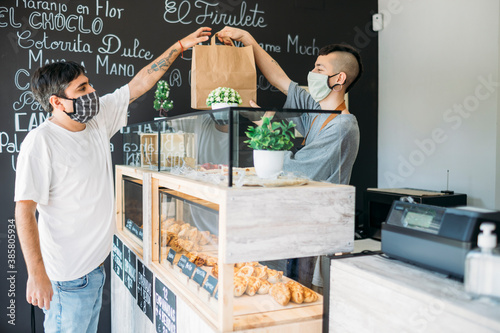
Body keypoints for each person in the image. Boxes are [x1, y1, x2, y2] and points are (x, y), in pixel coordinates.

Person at [14, 27, 211, 332]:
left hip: (95, 268)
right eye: (81, 89)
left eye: (88, 83)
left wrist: (181, 45)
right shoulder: (40, 143)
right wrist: (35, 272)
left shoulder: (96, 119)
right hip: (68, 277)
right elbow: (24, 210)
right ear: (57, 102)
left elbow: (139, 83)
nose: (91, 92)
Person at [217, 27, 363, 288]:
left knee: (304, 302)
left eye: (319, 69)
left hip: (316, 231)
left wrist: (266, 132)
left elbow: (296, 173)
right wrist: (248, 41)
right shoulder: (317, 111)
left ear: (339, 78)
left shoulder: (343, 127)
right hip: (298, 223)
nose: (312, 74)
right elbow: (278, 78)